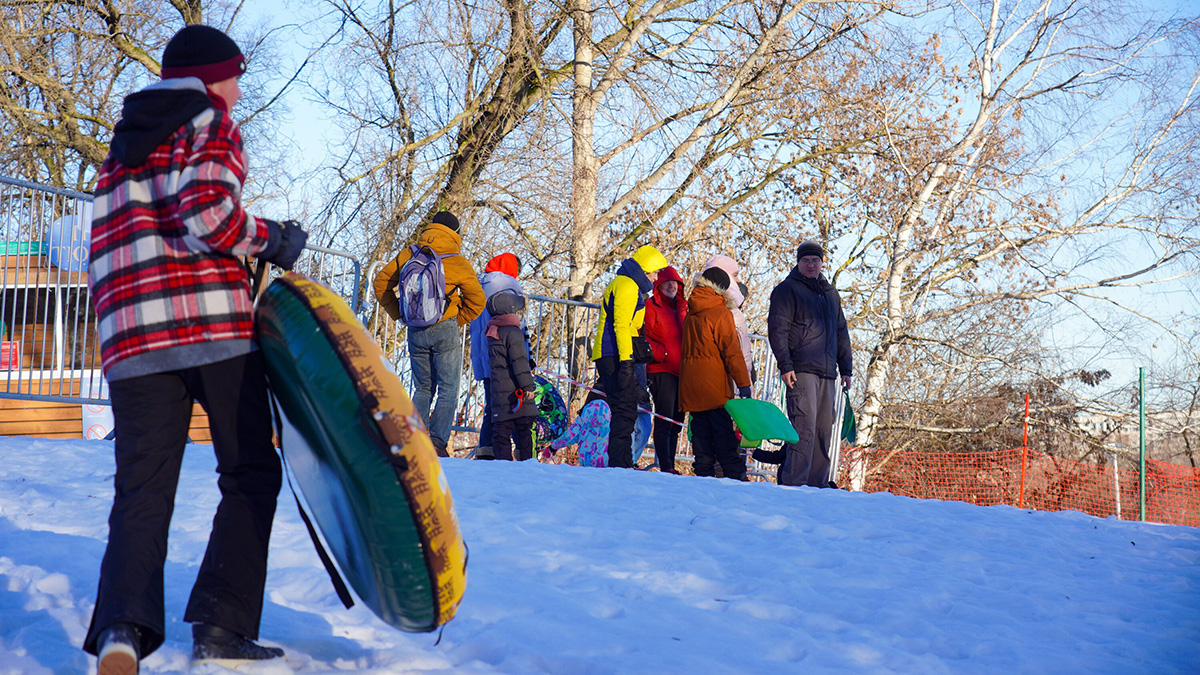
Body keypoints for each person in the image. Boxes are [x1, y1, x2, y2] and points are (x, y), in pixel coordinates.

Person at [83, 24, 308, 672]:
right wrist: (271, 237)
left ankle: (121, 630)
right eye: (235, 75)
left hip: (132, 341)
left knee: (142, 489)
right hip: (210, 329)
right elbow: (208, 214)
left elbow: (102, 249)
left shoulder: (120, 149)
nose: (238, 89)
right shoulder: (209, 118)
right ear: (212, 76)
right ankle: (221, 624)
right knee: (249, 472)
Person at [373, 211, 485, 456]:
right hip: (445, 327)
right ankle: (436, 443)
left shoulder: (409, 253)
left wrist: (400, 314)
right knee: (448, 387)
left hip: (415, 328)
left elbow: (381, 283)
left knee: (422, 388)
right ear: (454, 233)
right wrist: (455, 320)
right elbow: (477, 301)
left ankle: (414, 439)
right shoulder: (457, 261)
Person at [766, 240, 852, 488]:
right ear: (798, 263)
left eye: (815, 260)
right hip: (800, 369)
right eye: (806, 261)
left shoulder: (830, 294)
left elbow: (841, 332)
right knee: (804, 429)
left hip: (828, 373)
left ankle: (818, 485)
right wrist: (785, 365)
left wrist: (846, 368)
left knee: (824, 430)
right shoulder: (787, 290)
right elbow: (778, 330)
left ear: (822, 263)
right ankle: (795, 484)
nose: (811, 265)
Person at [590, 245, 669, 468]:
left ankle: (621, 461)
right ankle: (620, 463)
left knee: (622, 409)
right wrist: (626, 362)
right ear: (645, 270)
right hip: (614, 354)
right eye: (654, 272)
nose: (655, 278)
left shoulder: (626, 283)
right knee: (624, 410)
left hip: (612, 353)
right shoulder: (627, 286)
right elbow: (622, 326)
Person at [678, 268, 752, 480]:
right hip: (714, 385)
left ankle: (703, 476)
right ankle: (736, 477)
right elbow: (731, 351)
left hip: (692, 384)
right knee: (723, 436)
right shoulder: (720, 312)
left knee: (700, 434)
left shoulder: (691, 311)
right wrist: (743, 383)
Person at [468, 253, 523, 459]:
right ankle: (521, 449)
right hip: (504, 352)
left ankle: (486, 447)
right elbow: (517, 323)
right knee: (515, 400)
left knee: (493, 401)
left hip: (483, 355)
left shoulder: (479, 285)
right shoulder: (509, 286)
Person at [642, 265, 687, 473]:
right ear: (658, 285)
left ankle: (670, 462)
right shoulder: (651, 306)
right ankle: (666, 465)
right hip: (661, 369)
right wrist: (663, 353)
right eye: (666, 282)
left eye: (675, 282)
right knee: (664, 417)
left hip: (683, 371)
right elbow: (646, 336)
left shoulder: (683, 307)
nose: (671, 286)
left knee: (677, 420)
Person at [485, 290, 538, 461]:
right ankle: (527, 464)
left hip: (499, 390)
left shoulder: (493, 330)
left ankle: (503, 466)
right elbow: (519, 361)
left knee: (501, 433)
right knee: (524, 431)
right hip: (516, 391)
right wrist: (527, 386)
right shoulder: (512, 332)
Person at [699, 254, 753, 384]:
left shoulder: (697, 304)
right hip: (730, 381)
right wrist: (744, 383)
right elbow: (734, 351)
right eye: (735, 275)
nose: (738, 281)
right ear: (724, 276)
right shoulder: (726, 312)